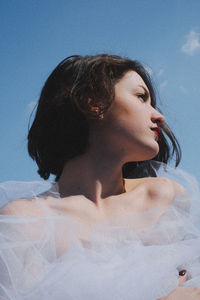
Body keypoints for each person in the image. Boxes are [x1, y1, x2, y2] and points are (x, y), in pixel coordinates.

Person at [0, 54, 200, 300]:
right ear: (92, 103)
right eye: (141, 97)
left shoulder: (164, 198)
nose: (159, 116)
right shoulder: (26, 223)